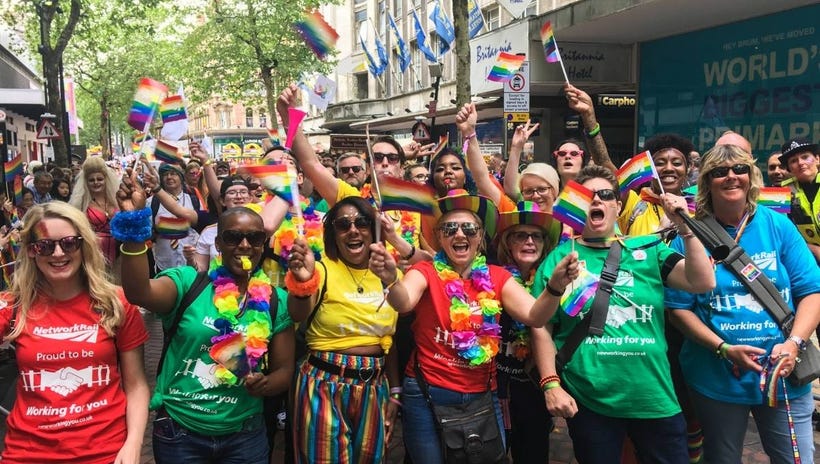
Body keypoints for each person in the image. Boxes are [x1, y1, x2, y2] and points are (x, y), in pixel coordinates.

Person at [368, 189, 572, 463]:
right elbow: (403, 302)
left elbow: (535, 316)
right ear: (440, 237)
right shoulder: (425, 271)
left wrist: (555, 287)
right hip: (426, 392)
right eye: (450, 228)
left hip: (481, 396)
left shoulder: (497, 277)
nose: (460, 234)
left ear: (480, 238)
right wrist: (392, 278)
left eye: (469, 229)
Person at [532, 165, 715, 463]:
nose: (596, 200)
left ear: (618, 205)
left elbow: (702, 281)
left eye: (605, 194)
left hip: (653, 396)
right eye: (587, 195)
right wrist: (550, 384)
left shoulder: (649, 248)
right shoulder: (559, 257)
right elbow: (542, 326)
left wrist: (685, 227)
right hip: (590, 398)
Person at [114, 172, 295, 463]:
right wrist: (135, 224)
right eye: (233, 237)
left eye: (255, 238)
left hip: (244, 436)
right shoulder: (188, 284)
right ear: (218, 244)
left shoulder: (276, 300)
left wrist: (266, 384)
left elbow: (285, 371)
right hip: (180, 434)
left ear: (264, 243)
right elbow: (138, 292)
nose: (245, 245)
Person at [665, 144, 820, 463]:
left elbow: (812, 291)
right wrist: (722, 347)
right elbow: (678, 308)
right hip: (716, 377)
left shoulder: (777, 226)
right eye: (720, 172)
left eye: (740, 170)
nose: (731, 177)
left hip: (783, 373)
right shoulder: (688, 236)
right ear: (707, 182)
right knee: (722, 458)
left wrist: (793, 344)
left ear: (752, 176)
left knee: (796, 458)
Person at [0, 202, 150, 464]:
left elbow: (136, 385)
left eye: (69, 243)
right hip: (27, 453)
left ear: (84, 245)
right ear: (31, 251)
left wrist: (133, 444)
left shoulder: (115, 303)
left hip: (104, 452)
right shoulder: (13, 306)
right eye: (45, 246)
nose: (58, 253)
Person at [285, 196, 400, 464]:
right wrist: (302, 285)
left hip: (374, 387)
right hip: (324, 384)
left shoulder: (388, 272)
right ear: (333, 234)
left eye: (361, 222)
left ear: (374, 230)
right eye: (342, 224)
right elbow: (297, 313)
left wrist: (395, 391)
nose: (353, 230)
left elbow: (389, 339)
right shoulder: (321, 270)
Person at [495, 201, 556, 464]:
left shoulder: (551, 280)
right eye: (521, 235)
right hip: (494, 385)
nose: (529, 241)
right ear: (509, 242)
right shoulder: (490, 276)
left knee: (533, 453)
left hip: (533, 385)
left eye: (536, 236)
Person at [69, 157, 120, 268]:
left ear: (106, 180)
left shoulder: (116, 200)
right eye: (91, 180)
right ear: (86, 182)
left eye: (100, 179)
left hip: (119, 254)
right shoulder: (81, 204)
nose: (96, 182)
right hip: (93, 256)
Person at [780, 137, 820, 262]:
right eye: (793, 161)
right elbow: (776, 235)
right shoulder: (781, 191)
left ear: (817, 159)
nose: (800, 163)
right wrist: (813, 249)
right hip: (805, 258)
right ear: (788, 169)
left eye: (805, 157)